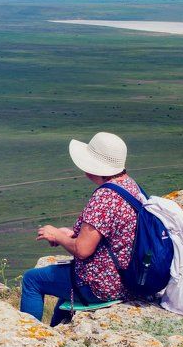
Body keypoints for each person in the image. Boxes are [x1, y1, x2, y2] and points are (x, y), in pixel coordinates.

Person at [20, 131, 144, 326]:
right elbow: (112, 233)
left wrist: (57, 235)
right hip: (128, 278)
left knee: (32, 280)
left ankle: (29, 336)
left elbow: (83, 250)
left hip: (103, 285)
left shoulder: (105, 197)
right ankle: (57, 330)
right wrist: (71, 234)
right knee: (66, 285)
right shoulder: (130, 185)